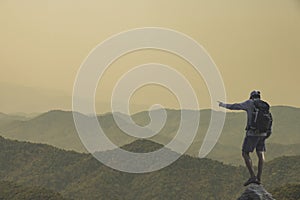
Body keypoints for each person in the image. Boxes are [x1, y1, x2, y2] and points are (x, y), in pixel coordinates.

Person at [218, 90, 271, 186]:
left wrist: (222, 104)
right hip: (263, 134)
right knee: (260, 154)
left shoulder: (249, 103)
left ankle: (252, 176)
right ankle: (259, 178)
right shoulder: (264, 105)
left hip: (252, 133)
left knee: (245, 153)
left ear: (251, 96)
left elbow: (235, 106)